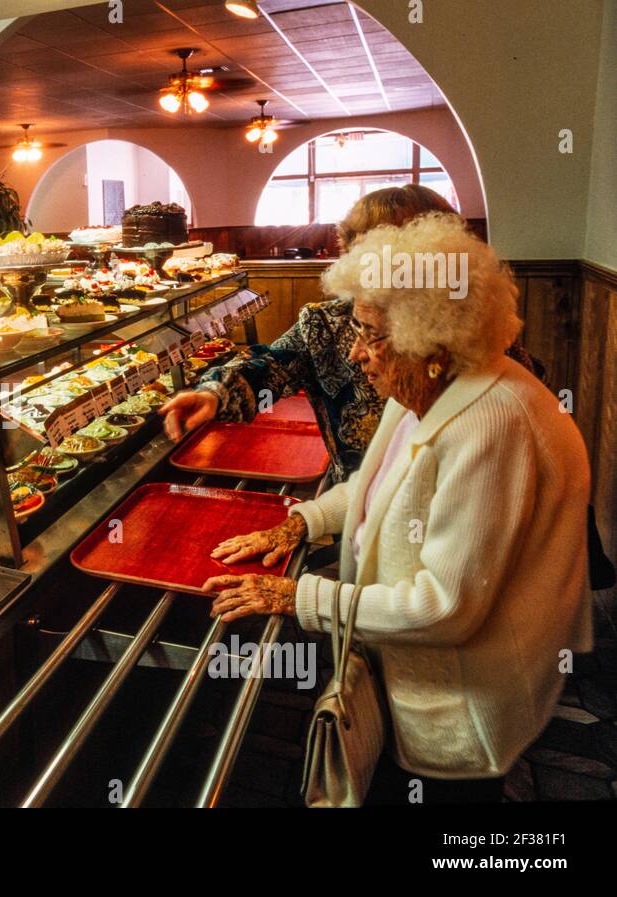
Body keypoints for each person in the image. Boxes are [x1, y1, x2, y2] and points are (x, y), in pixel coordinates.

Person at [201, 214, 593, 803]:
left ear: (427, 337)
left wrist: (297, 596)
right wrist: (302, 521)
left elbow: (446, 607)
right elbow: (376, 485)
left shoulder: (491, 422)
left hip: (465, 705)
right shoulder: (431, 384)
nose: (357, 353)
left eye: (370, 334)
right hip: (416, 674)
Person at [159, 185, 538, 482]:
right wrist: (214, 392)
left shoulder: (469, 327)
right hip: (357, 504)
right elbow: (270, 366)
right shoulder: (326, 322)